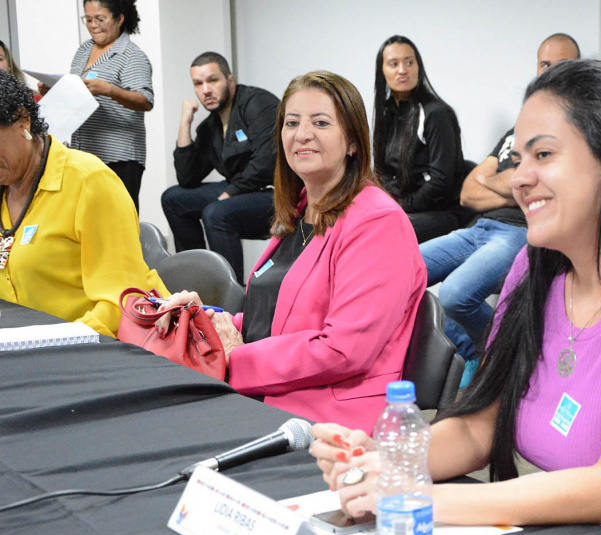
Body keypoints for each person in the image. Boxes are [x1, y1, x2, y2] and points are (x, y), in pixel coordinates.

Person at [309, 60, 601, 535]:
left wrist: (416, 498)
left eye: (543, 154)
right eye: (518, 157)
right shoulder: (535, 274)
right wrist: (386, 462)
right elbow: (479, 427)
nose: (519, 179)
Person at [158, 71, 425, 434]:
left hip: (329, 421)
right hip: (273, 399)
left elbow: (343, 351)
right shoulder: (301, 210)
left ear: (353, 142)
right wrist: (203, 322)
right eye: (292, 122)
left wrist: (237, 357)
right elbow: (271, 321)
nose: (302, 134)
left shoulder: (377, 222)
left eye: (320, 122)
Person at [422, 33, 580, 386]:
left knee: (455, 295)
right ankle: (475, 350)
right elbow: (468, 190)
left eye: (562, 64)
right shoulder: (518, 128)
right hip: (478, 227)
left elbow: (542, 186)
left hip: (520, 232)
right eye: (545, 64)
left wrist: (500, 179)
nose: (551, 71)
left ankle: (500, 357)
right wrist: (510, 184)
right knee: (401, 273)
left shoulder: (573, 129)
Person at [0, 71, 167, 337]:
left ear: (23, 121)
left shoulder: (88, 182)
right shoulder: (6, 186)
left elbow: (121, 302)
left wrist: (54, 342)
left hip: (97, 352)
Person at [160, 52, 279, 284]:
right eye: (198, 83)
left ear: (230, 81)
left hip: (278, 195)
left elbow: (267, 160)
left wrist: (229, 193)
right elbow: (187, 177)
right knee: (173, 199)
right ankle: (196, 279)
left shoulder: (258, 103)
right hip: (242, 193)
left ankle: (229, 294)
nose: (205, 90)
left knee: (216, 213)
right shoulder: (210, 127)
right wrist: (185, 122)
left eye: (212, 80)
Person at [46, 0, 154, 213]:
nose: (93, 25)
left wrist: (110, 90)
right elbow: (77, 92)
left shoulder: (132, 56)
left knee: (118, 220)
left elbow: (145, 100)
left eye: (100, 19)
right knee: (88, 220)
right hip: (83, 153)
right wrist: (53, 88)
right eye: (88, 19)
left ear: (119, 19)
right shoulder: (84, 49)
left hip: (119, 156)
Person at [373, 35, 464, 244]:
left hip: (441, 212)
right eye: (394, 64)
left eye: (409, 62)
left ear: (418, 67)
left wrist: (402, 205)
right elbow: (382, 172)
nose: (402, 70)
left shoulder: (436, 113)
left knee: (382, 232)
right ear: (382, 71)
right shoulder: (386, 113)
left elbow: (441, 182)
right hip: (402, 207)